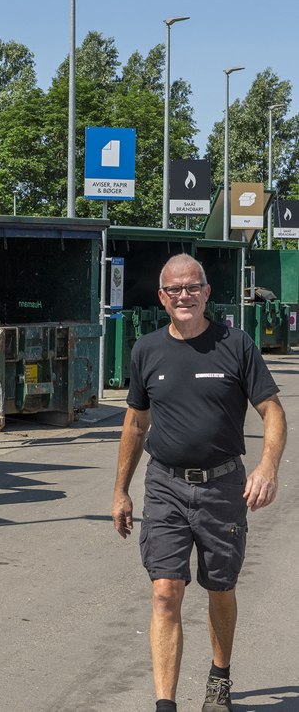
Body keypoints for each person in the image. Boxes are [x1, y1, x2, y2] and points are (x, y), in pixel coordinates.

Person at [111, 254, 286, 712]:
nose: (184, 296)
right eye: (174, 289)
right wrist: (120, 490)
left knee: (220, 587)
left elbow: (273, 412)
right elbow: (135, 425)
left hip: (222, 488)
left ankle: (219, 678)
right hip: (165, 485)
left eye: (192, 287)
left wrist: (267, 467)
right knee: (165, 591)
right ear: (162, 297)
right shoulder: (146, 349)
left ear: (207, 292)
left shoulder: (236, 344)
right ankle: (165, 704)